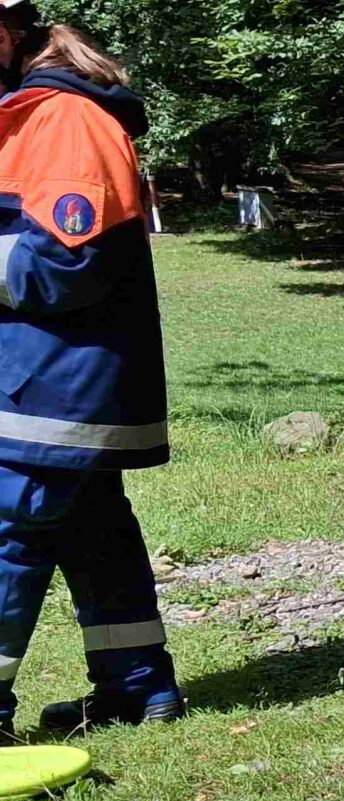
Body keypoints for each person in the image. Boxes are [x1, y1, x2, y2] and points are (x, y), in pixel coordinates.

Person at [0, 2, 183, 739]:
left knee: (7, 533)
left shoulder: (65, 118)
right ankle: (137, 691)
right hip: (54, 379)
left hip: (55, 383)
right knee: (92, 532)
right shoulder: (36, 111)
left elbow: (65, 262)